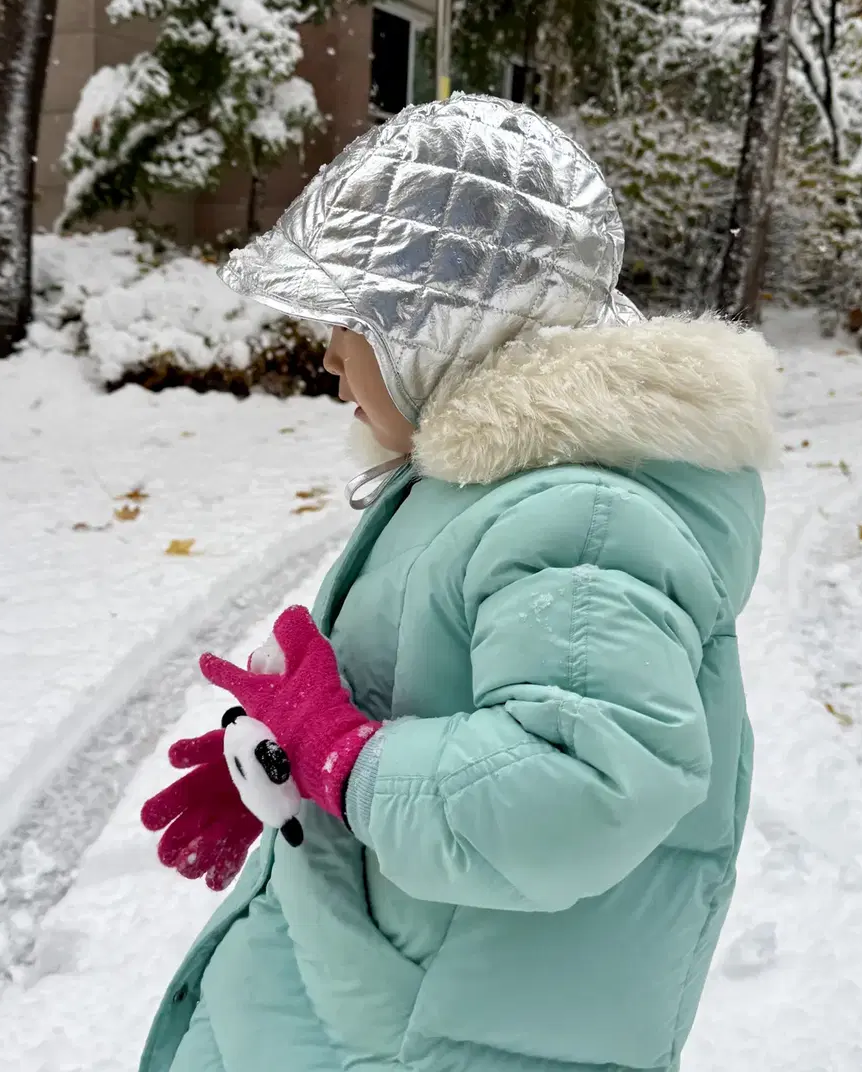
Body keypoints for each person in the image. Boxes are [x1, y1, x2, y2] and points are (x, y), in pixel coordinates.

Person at [137, 94, 778, 1072]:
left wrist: (346, 765)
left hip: (434, 1037)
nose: (330, 355)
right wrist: (286, 768)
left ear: (432, 324)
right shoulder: (486, 483)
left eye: (351, 321)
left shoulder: (585, 519)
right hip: (364, 999)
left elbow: (583, 785)